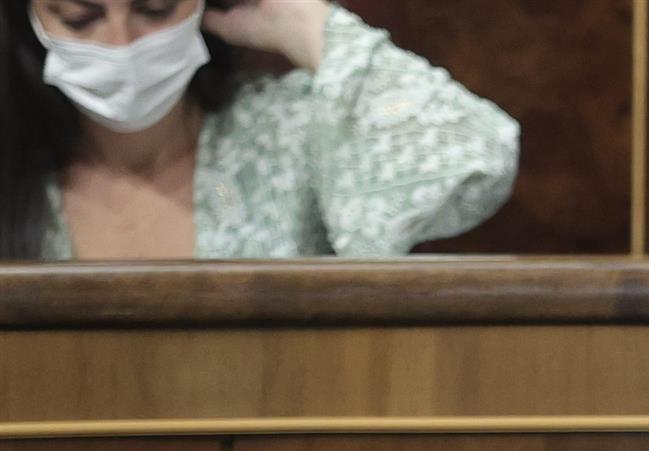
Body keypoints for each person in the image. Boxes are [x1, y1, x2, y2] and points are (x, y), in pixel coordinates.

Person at [0, 0, 519, 259]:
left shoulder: (290, 131)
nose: (121, 43)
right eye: (79, 17)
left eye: (154, 8)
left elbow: (476, 156)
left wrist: (297, 22)